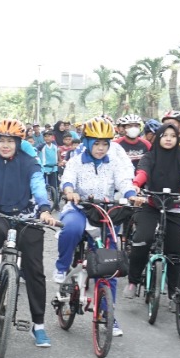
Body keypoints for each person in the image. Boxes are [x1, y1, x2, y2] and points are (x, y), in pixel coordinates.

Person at [0, 119, 56, 348]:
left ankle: (38, 325)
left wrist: (44, 209)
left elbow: (38, 186)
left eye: (10, 141)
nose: (5, 145)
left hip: (27, 216)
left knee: (35, 271)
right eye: (1, 141)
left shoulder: (30, 163)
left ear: (18, 143)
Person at [54, 117, 135, 335]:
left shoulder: (114, 162)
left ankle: (108, 315)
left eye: (105, 144)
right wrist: (70, 191)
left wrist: (131, 195)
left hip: (104, 213)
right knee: (71, 228)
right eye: (96, 143)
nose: (100, 148)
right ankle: (61, 267)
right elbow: (67, 179)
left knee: (110, 263)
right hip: (80, 209)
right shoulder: (76, 161)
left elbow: (124, 181)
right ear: (87, 142)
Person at [128, 122, 180, 301]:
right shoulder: (150, 156)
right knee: (142, 240)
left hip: (176, 207)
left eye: (173, 136)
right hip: (151, 205)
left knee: (176, 250)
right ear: (158, 137)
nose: (168, 139)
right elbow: (142, 172)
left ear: (178, 138)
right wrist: (136, 185)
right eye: (165, 135)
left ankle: (174, 289)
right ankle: (133, 281)